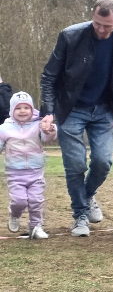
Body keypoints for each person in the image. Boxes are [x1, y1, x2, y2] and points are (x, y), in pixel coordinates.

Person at [40, 0, 113, 237]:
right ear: (92, 17)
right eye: (97, 23)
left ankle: (87, 194)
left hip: (105, 109)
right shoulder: (70, 36)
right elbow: (49, 76)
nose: (101, 30)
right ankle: (80, 216)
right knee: (75, 165)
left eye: (107, 25)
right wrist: (48, 112)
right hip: (71, 109)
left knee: (103, 162)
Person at [1, 92, 57, 239]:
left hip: (35, 171)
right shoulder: (5, 128)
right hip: (15, 173)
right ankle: (15, 214)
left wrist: (50, 130)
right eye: (18, 108)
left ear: (32, 109)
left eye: (26, 107)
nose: (23, 111)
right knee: (19, 201)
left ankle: (36, 226)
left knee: (35, 200)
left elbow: (47, 137)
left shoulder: (38, 124)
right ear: (12, 110)